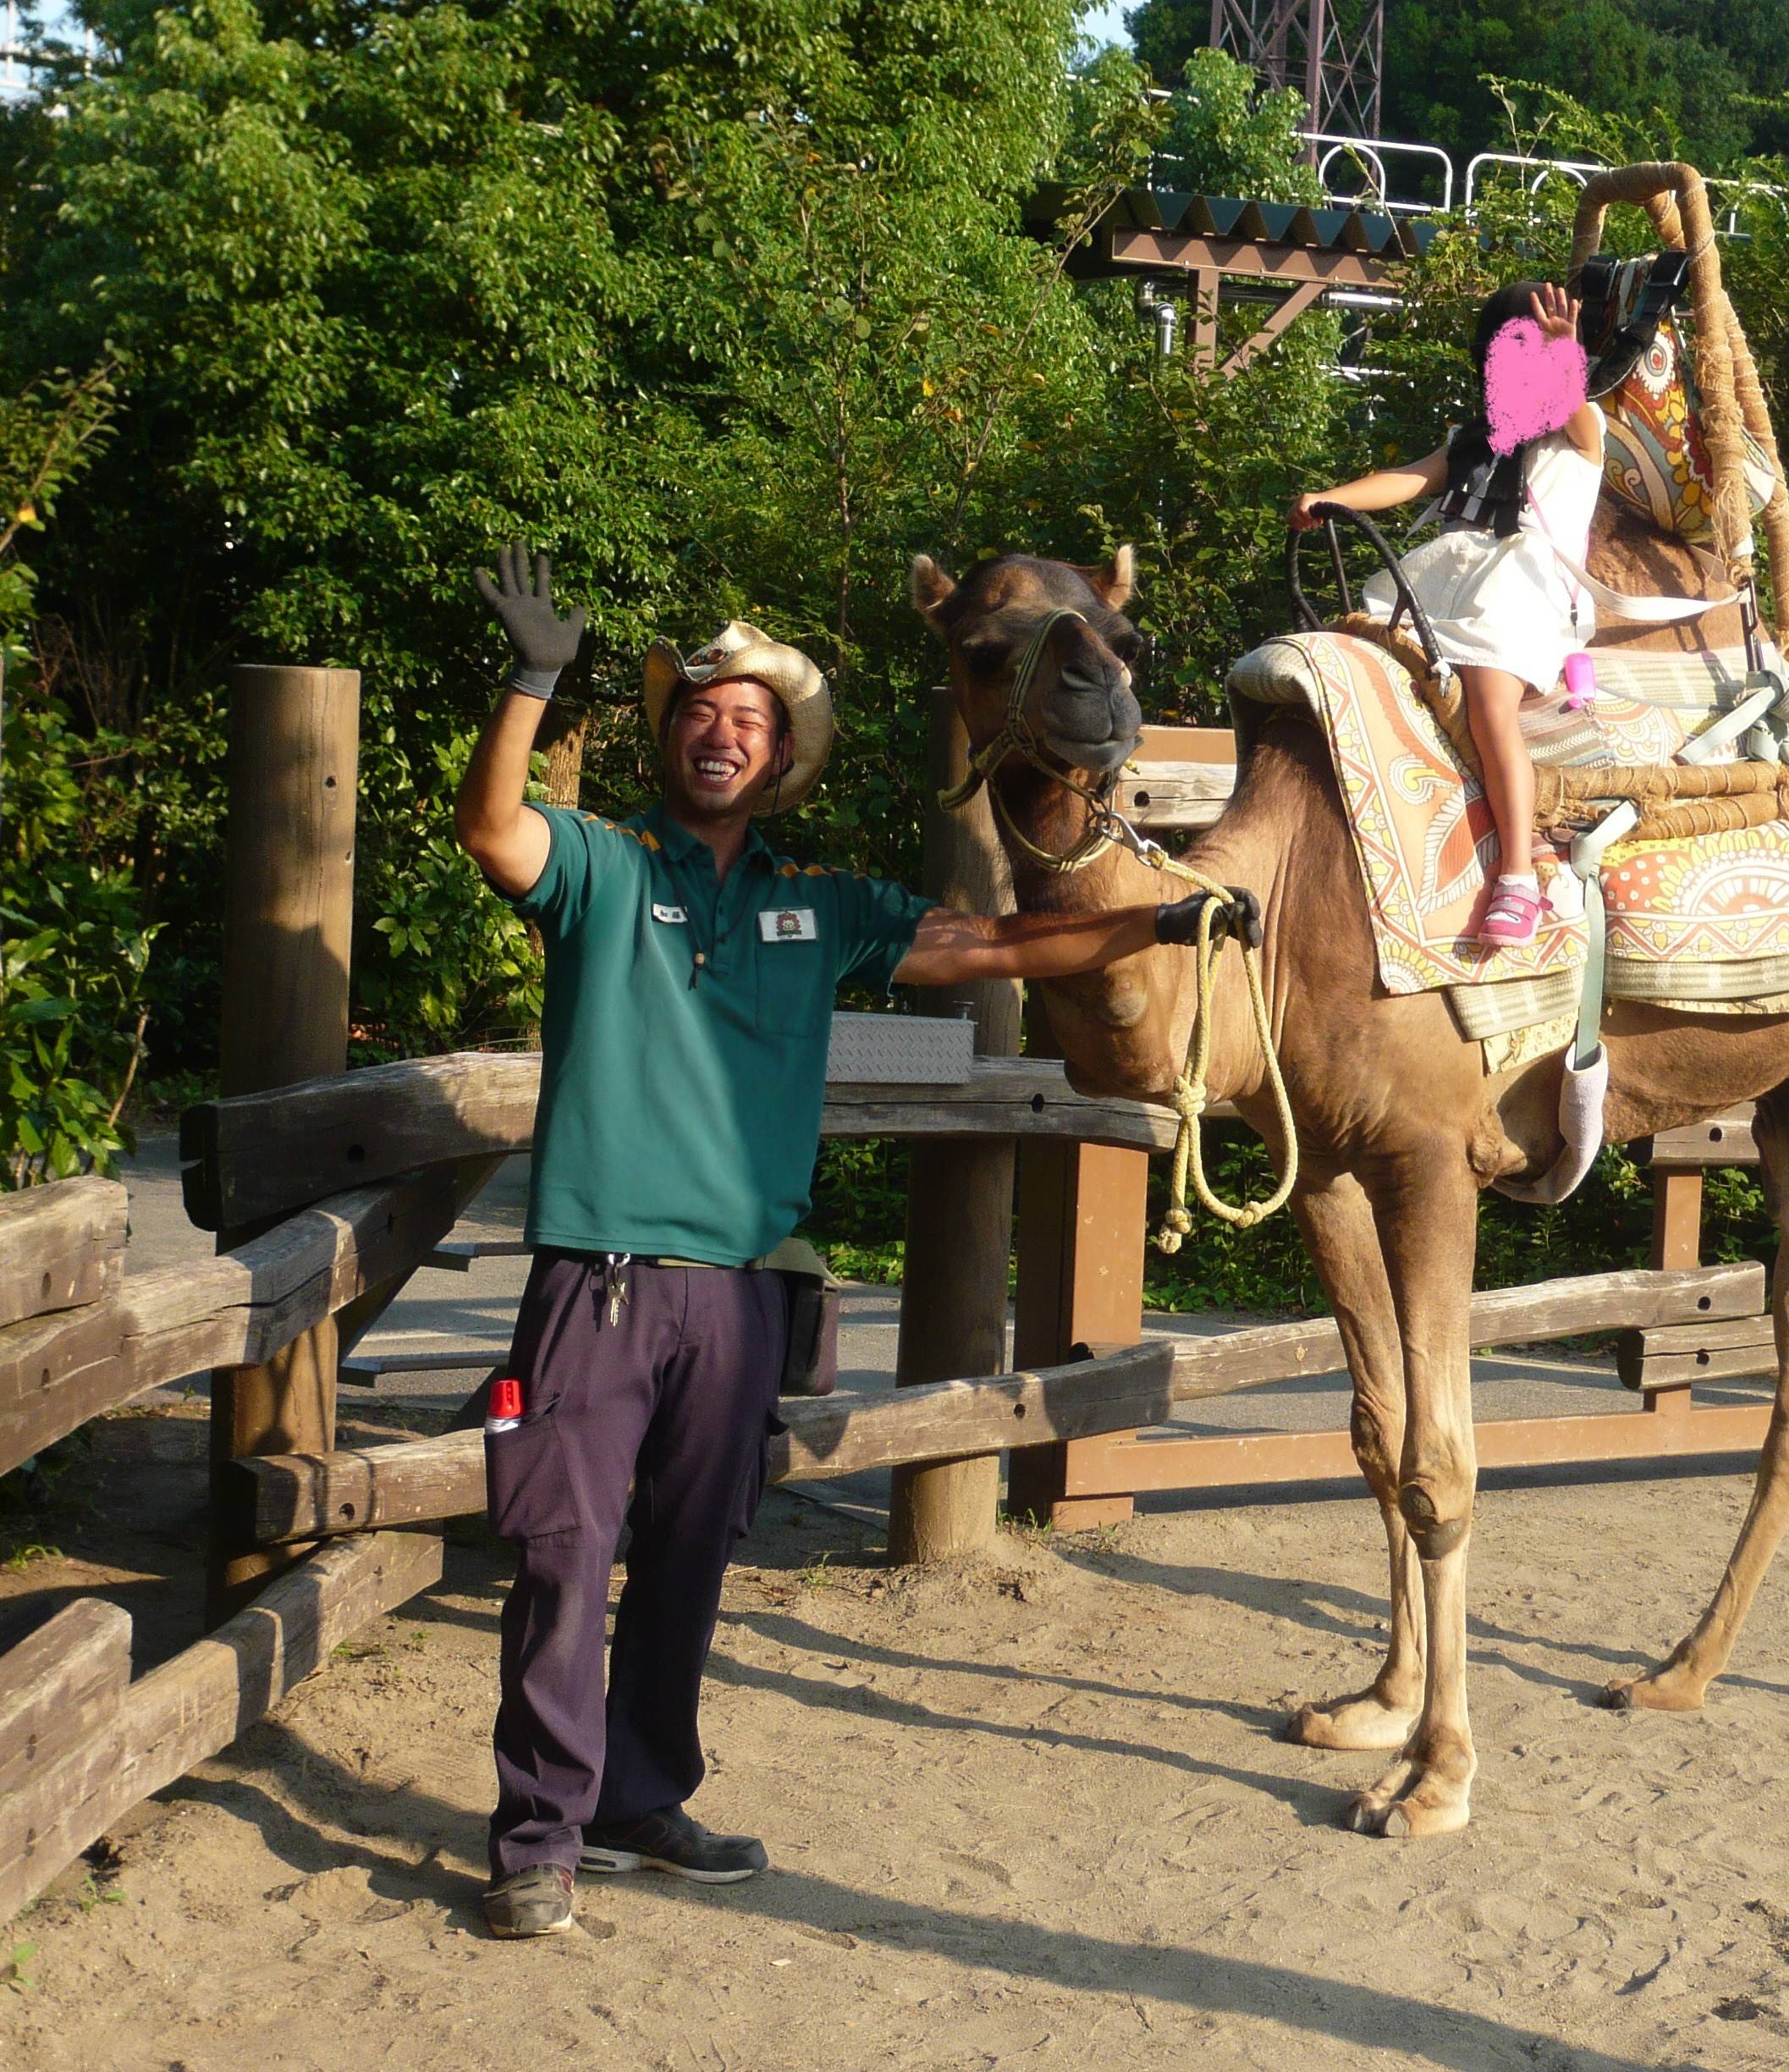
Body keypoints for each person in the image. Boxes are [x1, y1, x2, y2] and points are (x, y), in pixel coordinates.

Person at [454, 545, 1254, 1940]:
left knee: (690, 1554)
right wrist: (530, 677)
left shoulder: (822, 904)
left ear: (781, 761)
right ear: (671, 732)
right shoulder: (598, 866)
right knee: (562, 1554)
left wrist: (1162, 917)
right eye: (702, 709)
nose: (721, 730)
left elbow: (1003, 950)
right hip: (600, 1279)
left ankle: (641, 1796)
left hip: (747, 1292)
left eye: (750, 720)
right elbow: (491, 828)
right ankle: (540, 1838)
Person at [1288, 280, 1604, 944]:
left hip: (1527, 588)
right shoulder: (1478, 437)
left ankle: (1518, 876)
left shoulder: (1581, 431)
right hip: (1453, 577)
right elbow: (1410, 476)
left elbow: (1573, 409)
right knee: (1358, 649)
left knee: (1489, 700)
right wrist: (1329, 497)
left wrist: (1565, 355)